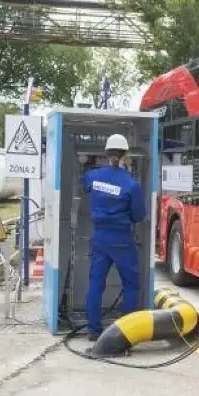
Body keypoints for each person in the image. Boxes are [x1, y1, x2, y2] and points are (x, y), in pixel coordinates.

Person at [81, 134, 146, 341]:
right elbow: (138, 215)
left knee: (96, 283)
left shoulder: (93, 176)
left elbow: (84, 184)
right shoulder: (132, 184)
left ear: (106, 154)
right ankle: (124, 332)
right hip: (122, 240)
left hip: (100, 238)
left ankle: (93, 329)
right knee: (131, 284)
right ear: (125, 154)